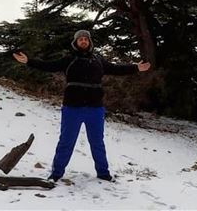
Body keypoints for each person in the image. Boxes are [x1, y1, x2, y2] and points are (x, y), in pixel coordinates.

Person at [13, 29, 150, 182]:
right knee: (66, 142)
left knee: (97, 143)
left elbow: (116, 68)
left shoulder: (98, 60)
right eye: (80, 39)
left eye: (86, 39)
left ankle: (103, 174)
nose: (84, 41)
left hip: (95, 109)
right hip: (72, 108)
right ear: (76, 42)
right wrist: (28, 61)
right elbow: (48, 66)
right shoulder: (69, 59)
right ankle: (56, 174)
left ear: (89, 42)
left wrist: (136, 67)